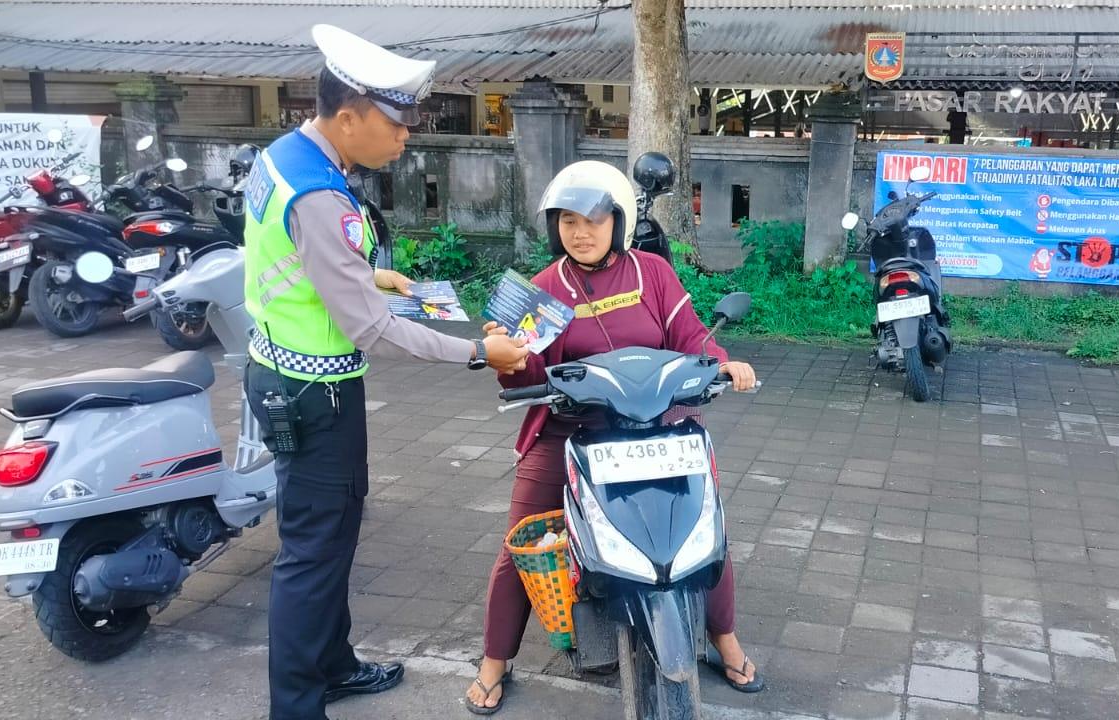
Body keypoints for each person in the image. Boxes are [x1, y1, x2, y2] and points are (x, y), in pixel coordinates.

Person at [240, 23, 529, 720]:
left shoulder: (286, 158)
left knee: (333, 538)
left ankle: (331, 665)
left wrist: (369, 274)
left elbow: (300, 265)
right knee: (311, 556)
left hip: (288, 375)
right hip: (314, 395)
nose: (406, 139)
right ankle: (297, 706)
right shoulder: (320, 195)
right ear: (348, 117)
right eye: (397, 124)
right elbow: (368, 328)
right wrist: (473, 353)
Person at [464, 160, 765, 714]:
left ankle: (723, 638)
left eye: (594, 220)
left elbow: (691, 336)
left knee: (704, 527)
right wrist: (507, 356)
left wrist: (723, 364)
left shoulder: (653, 273)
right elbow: (530, 375)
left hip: (658, 422)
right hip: (573, 429)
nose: (580, 232)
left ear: (619, 222)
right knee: (523, 538)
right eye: (568, 221)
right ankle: (494, 659)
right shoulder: (543, 290)